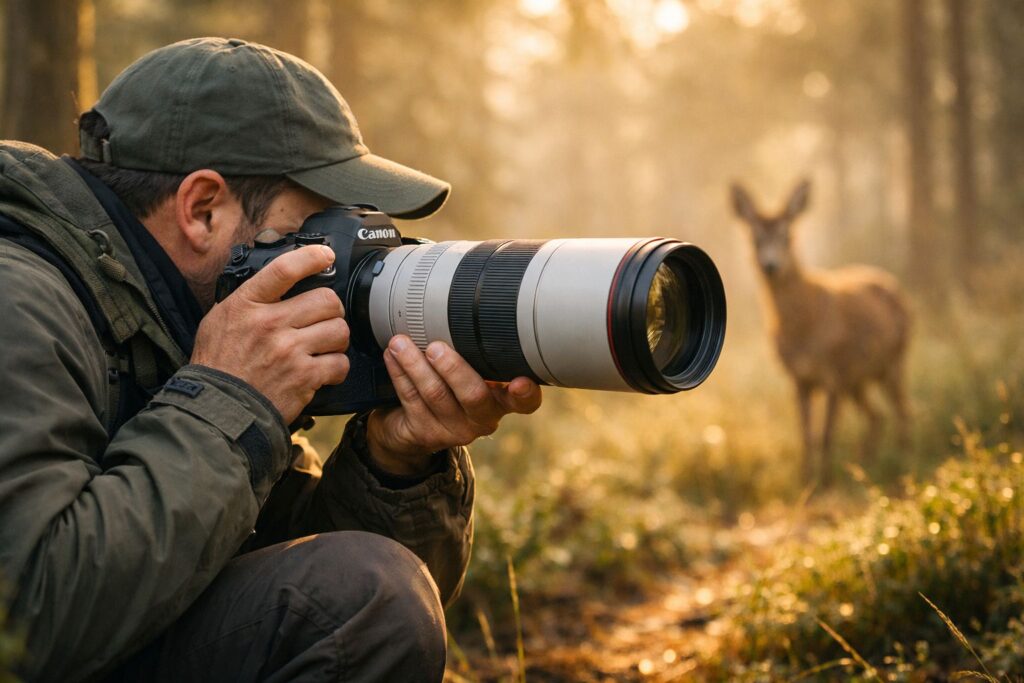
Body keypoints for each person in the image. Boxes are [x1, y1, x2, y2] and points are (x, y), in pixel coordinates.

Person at [0, 37, 541, 682]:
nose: (341, 255)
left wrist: (394, 465)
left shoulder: (179, 307)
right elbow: (27, 617)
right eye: (317, 228)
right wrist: (226, 399)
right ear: (203, 209)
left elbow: (278, 555)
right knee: (368, 599)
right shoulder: (21, 301)